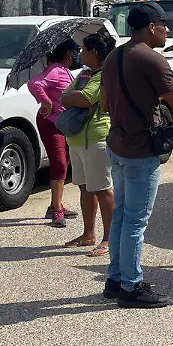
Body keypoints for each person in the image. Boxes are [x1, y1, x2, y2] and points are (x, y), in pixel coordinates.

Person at [101, 1, 173, 308]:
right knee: (135, 222)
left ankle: (115, 279)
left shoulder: (113, 56)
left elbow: (104, 104)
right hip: (141, 150)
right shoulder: (152, 59)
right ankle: (131, 287)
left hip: (117, 144)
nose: (167, 30)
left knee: (121, 216)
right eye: (163, 25)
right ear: (151, 27)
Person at [60, 32, 115, 256]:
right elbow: (66, 95)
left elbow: (85, 99)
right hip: (77, 138)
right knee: (85, 188)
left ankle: (109, 238)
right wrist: (72, 97)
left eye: (83, 49)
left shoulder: (104, 75)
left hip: (97, 138)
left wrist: (72, 97)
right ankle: (89, 233)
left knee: (103, 190)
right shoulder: (84, 74)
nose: (80, 53)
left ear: (94, 52)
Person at [29, 38, 79, 228]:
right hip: (51, 122)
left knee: (64, 162)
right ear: (68, 54)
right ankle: (56, 209)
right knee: (59, 162)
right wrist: (46, 102)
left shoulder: (64, 71)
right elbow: (34, 84)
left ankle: (55, 204)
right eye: (74, 52)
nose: (76, 56)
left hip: (61, 123)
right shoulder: (56, 70)